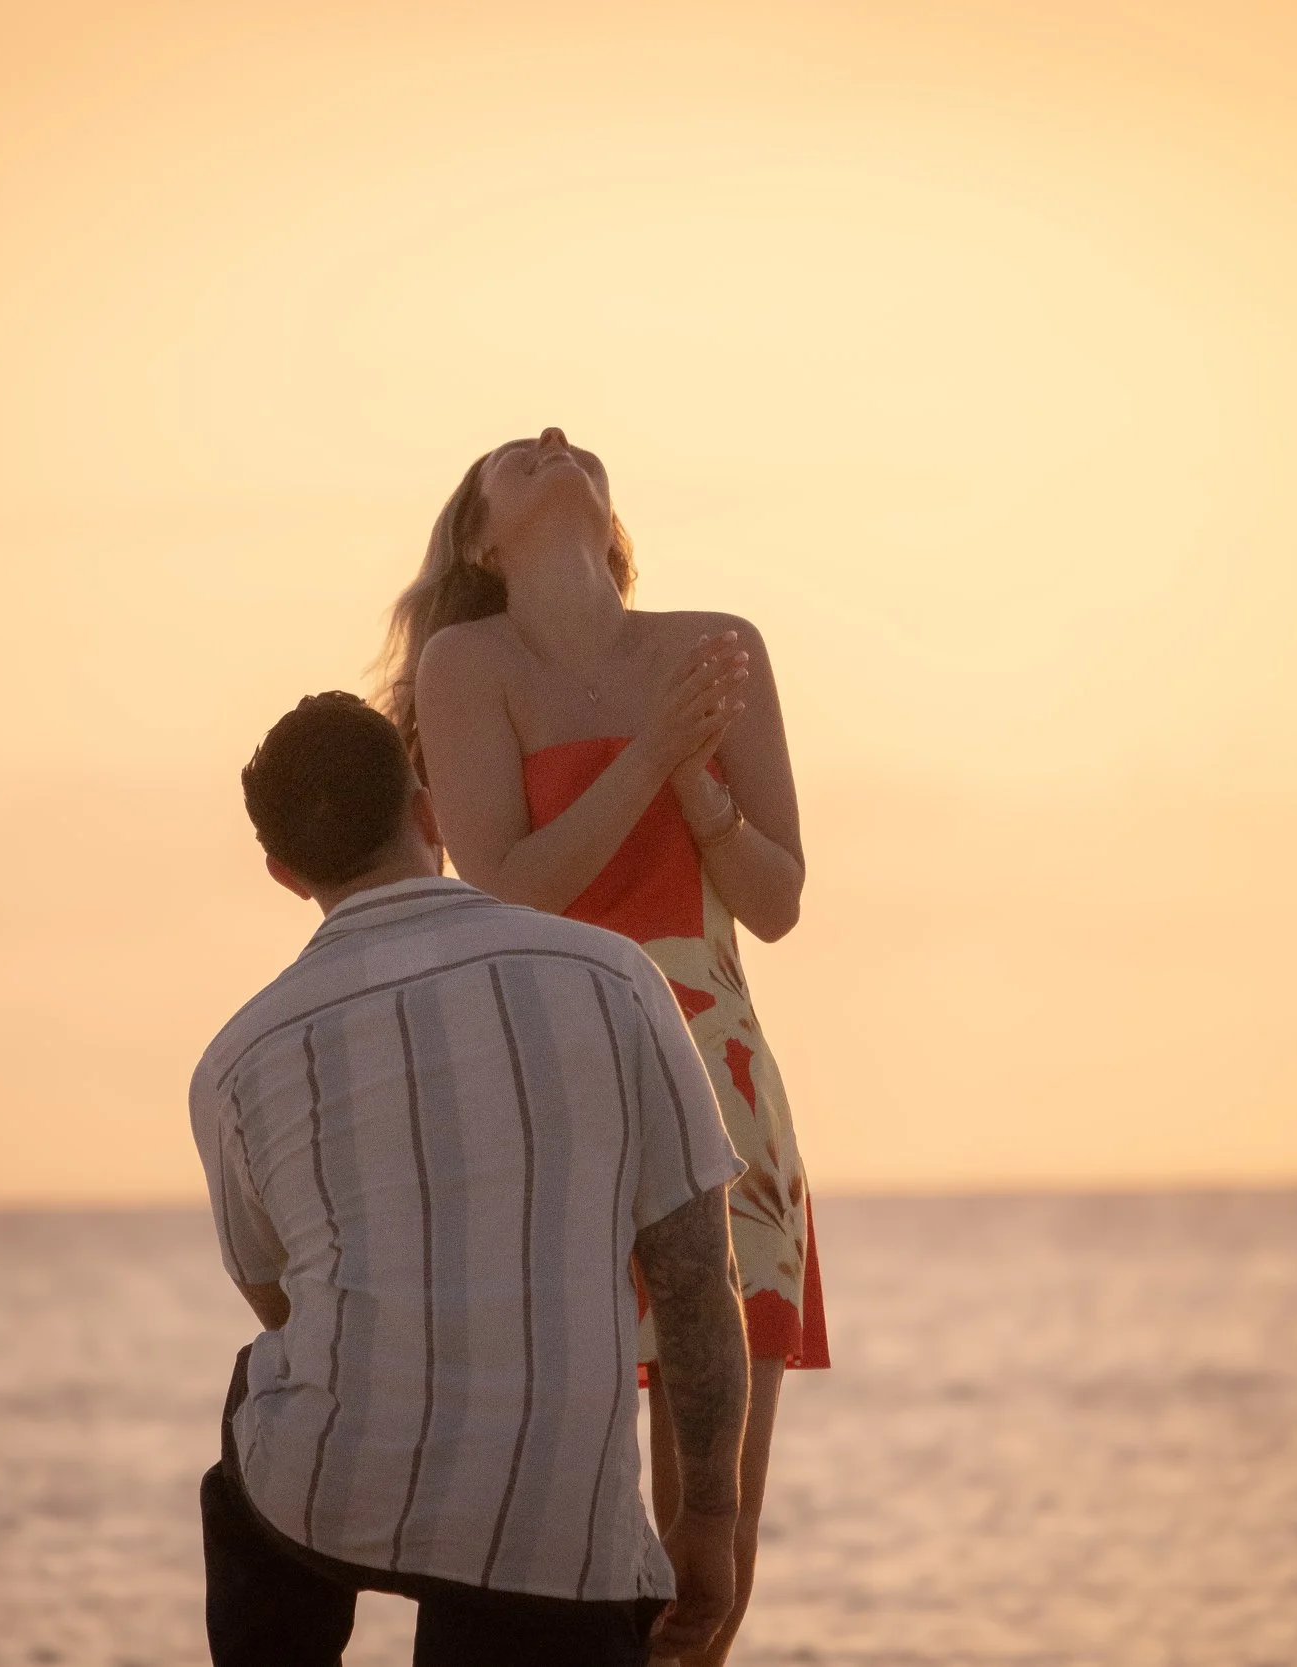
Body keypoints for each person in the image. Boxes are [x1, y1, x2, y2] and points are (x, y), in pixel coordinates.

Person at [377, 428, 827, 1666]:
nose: (552, 438)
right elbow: (509, 887)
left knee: (715, 1528)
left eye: (567, 439)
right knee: (564, 1513)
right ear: (481, 540)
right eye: (512, 456)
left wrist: (697, 786)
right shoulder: (469, 664)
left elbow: (778, 900)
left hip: (721, 1071)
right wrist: (655, 753)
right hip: (554, 1078)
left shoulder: (718, 645)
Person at [189, 691, 753, 1667]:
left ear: (285, 872)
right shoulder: (614, 978)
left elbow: (280, 1303)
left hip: (330, 1489)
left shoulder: (235, 1061)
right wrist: (709, 1516)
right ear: (429, 810)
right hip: (560, 1536)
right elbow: (698, 1280)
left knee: (261, 1413)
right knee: (512, 1566)